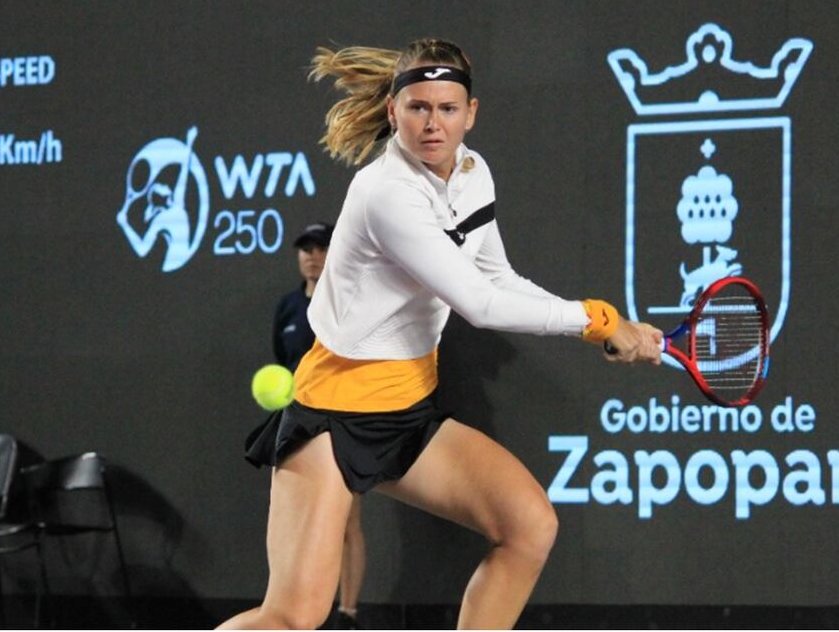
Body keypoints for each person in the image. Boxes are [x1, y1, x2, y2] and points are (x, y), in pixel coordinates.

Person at [222, 38, 663, 630]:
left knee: (529, 526)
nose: (434, 124)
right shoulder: (386, 192)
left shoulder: (474, 174)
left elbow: (498, 277)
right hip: (333, 416)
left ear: (470, 113)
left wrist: (610, 325)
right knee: (292, 617)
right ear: (393, 111)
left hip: (408, 411)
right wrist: (598, 321)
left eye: (448, 109)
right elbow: (479, 304)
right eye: (419, 108)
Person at [271, 221, 366, 629]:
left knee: (346, 521)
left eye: (322, 248)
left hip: (343, 420)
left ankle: (347, 613)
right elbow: (282, 364)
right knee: (296, 522)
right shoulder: (288, 308)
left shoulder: (350, 301)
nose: (313, 256)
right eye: (306, 249)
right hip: (298, 423)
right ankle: (291, 610)